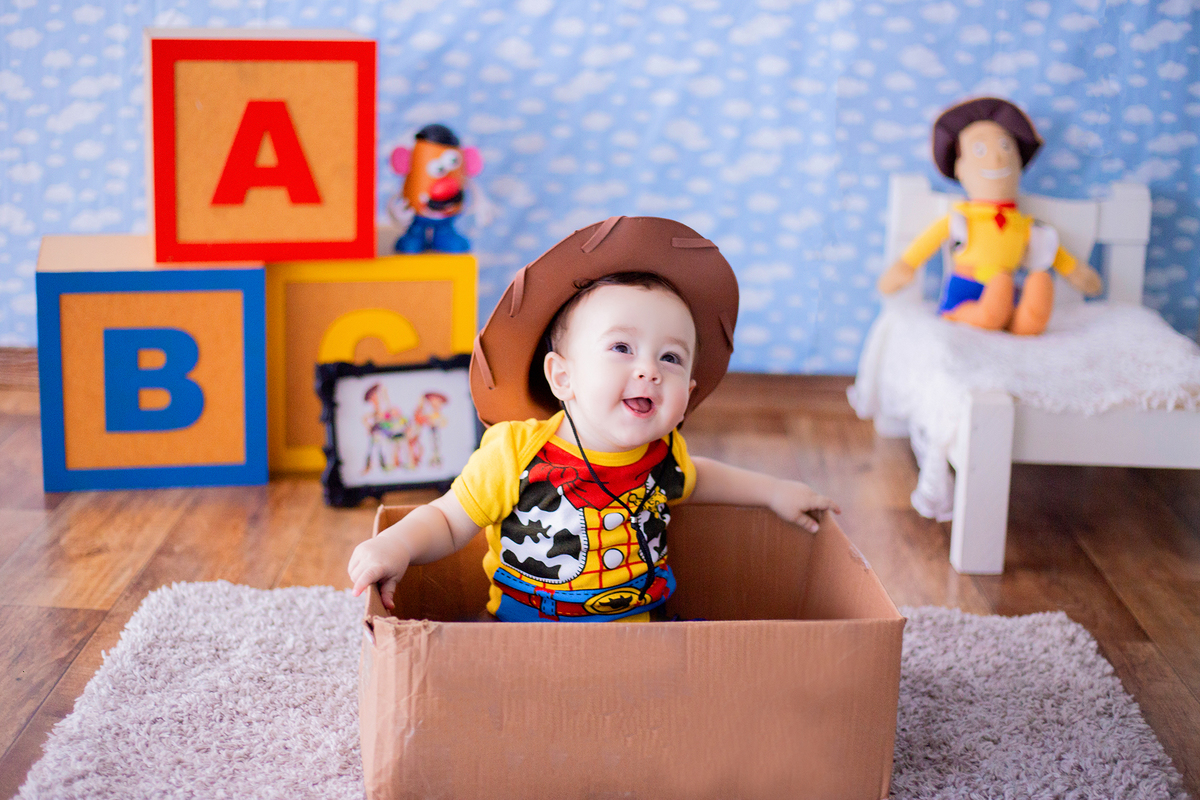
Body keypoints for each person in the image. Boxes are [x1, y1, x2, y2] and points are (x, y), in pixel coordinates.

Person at [348, 216, 838, 621]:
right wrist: (398, 546)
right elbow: (449, 520)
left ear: (686, 395)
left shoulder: (663, 455)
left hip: (641, 637)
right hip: (526, 638)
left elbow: (701, 477)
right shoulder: (516, 452)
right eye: (621, 348)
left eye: (670, 358)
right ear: (563, 377)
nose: (648, 369)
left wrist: (774, 491)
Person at [876, 96, 1102, 335]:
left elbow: (1056, 254)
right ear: (959, 168)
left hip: (1006, 297)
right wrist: (904, 266)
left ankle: (1026, 321)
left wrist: (1075, 272)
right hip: (965, 292)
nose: (996, 158)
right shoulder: (961, 218)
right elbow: (926, 243)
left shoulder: (1024, 225)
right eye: (980, 149)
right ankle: (983, 315)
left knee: (1028, 284)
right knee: (995, 293)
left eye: (1005, 147)